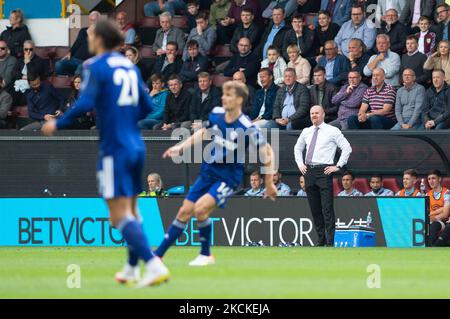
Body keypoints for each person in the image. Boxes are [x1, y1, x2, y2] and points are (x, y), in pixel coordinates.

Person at [41, 19, 170, 288]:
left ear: (99, 39)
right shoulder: (130, 67)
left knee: (117, 216)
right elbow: (147, 105)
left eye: (89, 33)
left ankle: (153, 263)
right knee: (131, 211)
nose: (87, 37)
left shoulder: (93, 66)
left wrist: (58, 123)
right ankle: (132, 268)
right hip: (136, 144)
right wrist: (124, 115)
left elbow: (85, 103)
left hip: (114, 147)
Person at [154, 80, 277, 266]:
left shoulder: (246, 127)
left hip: (228, 177)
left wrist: (269, 183)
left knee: (200, 209)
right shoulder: (217, 114)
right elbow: (204, 133)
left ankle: (205, 255)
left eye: (228, 95)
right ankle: (159, 256)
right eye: (223, 94)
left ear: (239, 100)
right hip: (208, 171)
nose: (223, 98)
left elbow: (267, 152)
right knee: (185, 210)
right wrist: (180, 148)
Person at [294, 105, 352, 246]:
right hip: (309, 171)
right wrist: (300, 164)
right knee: (315, 209)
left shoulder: (332, 130)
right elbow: (298, 147)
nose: (314, 115)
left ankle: (330, 242)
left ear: (323, 114)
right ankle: (321, 240)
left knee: (327, 208)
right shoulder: (306, 131)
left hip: (324, 170)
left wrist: (337, 166)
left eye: (317, 113)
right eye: (312, 113)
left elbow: (347, 147)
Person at [55, 11, 100, 76]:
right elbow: (77, 43)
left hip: (86, 62)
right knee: (58, 64)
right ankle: (69, 77)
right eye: (91, 20)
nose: (93, 22)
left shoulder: (102, 32)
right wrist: (70, 52)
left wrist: (92, 34)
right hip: (75, 59)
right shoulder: (83, 30)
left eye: (95, 20)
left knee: (79, 70)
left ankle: (76, 81)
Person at [427, 169, 450, 246]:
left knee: (434, 225)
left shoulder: (447, 193)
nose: (431, 181)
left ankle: (434, 248)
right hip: (431, 221)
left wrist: (434, 217)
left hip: (443, 221)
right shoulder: (427, 194)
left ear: (439, 179)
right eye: (429, 179)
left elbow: (445, 214)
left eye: (433, 178)